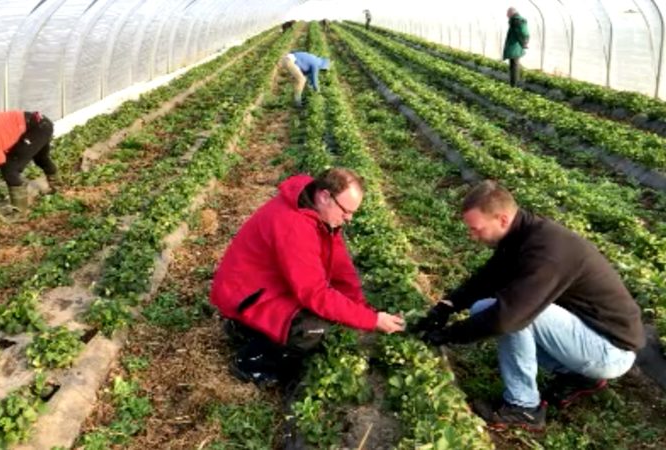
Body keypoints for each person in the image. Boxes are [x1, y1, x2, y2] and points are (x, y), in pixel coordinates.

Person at [412, 180, 645, 431]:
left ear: (502, 219)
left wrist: (449, 335)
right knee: (485, 309)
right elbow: (488, 278)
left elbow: (507, 319)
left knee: (514, 316)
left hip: (610, 351)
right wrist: (446, 307)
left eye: (476, 229)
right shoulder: (522, 234)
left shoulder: (547, 252)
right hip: (588, 334)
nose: (472, 235)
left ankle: (524, 407)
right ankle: (580, 375)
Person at [211, 168, 405, 387]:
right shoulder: (293, 225)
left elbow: (342, 270)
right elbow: (315, 294)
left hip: (264, 286)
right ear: (324, 195)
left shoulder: (319, 214)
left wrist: (362, 309)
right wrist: (372, 321)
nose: (349, 218)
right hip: (244, 294)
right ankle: (251, 363)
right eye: (345, 211)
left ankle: (246, 329)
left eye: (352, 213)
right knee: (313, 327)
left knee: (328, 311)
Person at [503, 7, 529, 87]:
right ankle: (513, 83)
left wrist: (524, 42)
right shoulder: (514, 20)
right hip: (514, 46)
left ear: (512, 12)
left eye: (508, 13)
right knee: (513, 65)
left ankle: (513, 85)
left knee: (514, 66)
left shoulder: (516, 20)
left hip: (515, 47)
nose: (506, 15)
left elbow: (523, 32)